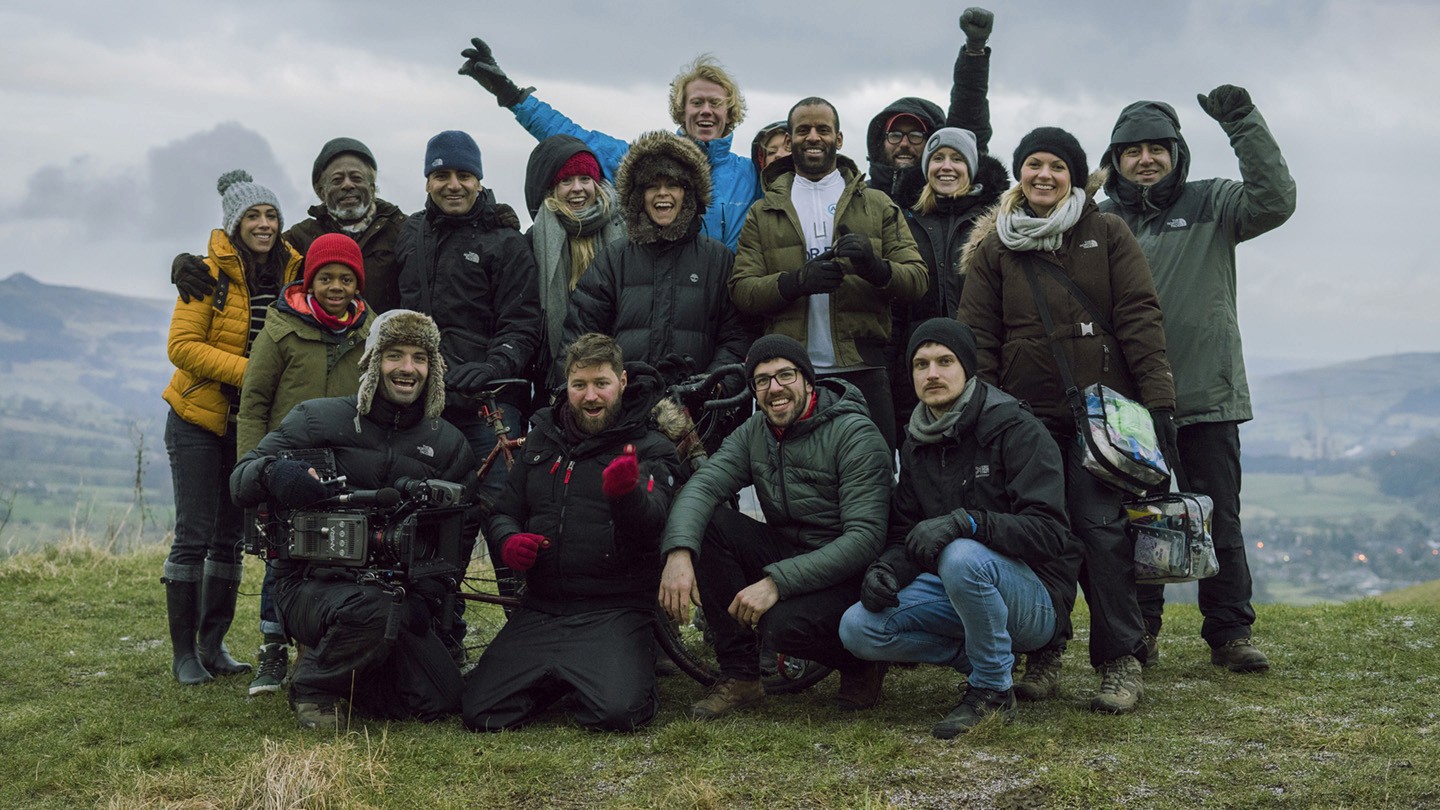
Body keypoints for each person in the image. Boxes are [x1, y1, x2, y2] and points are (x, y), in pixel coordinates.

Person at [957, 128, 1176, 714]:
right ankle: (1043, 651)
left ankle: (1121, 661)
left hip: (1101, 418)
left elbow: (1139, 317)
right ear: (1020, 173)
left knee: (1102, 531)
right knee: (1037, 536)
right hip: (1024, 419)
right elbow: (978, 339)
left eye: (1057, 165)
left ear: (1074, 175)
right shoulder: (997, 248)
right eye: (1034, 164)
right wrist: (983, 416)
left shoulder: (1108, 232)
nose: (1044, 175)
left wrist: (1159, 402)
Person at [1099, 85, 1296, 673]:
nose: (1146, 160)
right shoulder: (1101, 220)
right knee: (1139, 521)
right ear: (1115, 160)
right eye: (1131, 151)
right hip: (1131, 403)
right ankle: (1141, 634)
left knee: (1219, 517)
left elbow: (1275, 200)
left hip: (1207, 393)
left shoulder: (1213, 202)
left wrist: (1243, 122)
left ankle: (1230, 634)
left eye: (1157, 149)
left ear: (1176, 154)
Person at [230, 309, 476, 730]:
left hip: (402, 594)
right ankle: (314, 687)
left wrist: (431, 597)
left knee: (440, 698)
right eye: (394, 355)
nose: (407, 368)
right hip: (309, 584)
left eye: (420, 358)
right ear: (372, 361)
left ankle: (358, 664)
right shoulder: (316, 418)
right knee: (375, 612)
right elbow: (240, 481)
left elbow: (460, 536)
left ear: (432, 369)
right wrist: (274, 473)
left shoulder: (449, 444)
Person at [838, 319, 1081, 737]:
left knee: (960, 552)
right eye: (921, 364)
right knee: (858, 627)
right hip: (962, 590)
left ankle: (993, 691)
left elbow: (1050, 532)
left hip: (1035, 599)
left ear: (967, 367)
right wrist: (887, 570)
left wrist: (969, 522)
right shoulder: (916, 442)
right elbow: (905, 533)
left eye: (945, 361)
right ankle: (987, 659)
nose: (932, 373)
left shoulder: (1015, 427)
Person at [658, 334, 893, 720]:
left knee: (780, 626)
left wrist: (776, 583)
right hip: (789, 550)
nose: (775, 388)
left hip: (849, 572)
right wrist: (679, 551)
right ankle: (741, 677)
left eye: (785, 375)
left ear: (808, 381)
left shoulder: (855, 434)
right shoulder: (757, 431)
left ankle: (860, 661)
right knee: (710, 523)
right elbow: (704, 485)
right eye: (762, 380)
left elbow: (865, 539)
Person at [462, 334, 680, 732]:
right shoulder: (542, 439)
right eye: (579, 384)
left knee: (616, 714)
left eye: (601, 383)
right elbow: (504, 512)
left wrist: (627, 496)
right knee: (481, 712)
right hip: (542, 607)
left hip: (615, 609)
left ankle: (614, 665)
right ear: (567, 385)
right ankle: (566, 674)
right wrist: (508, 541)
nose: (590, 396)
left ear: (622, 382)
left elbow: (653, 524)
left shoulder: (651, 447)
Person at [161, 170, 301, 685]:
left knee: (229, 539)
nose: (264, 224)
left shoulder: (292, 272)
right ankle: (183, 654)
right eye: (253, 216)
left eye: (271, 215)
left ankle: (212, 645)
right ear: (235, 223)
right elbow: (181, 347)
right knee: (193, 536)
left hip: (249, 427)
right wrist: (252, 374)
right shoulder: (206, 274)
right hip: (197, 420)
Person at [729, 97, 928, 454]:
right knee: (796, 478)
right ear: (789, 140)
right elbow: (742, 290)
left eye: (823, 129)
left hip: (863, 366)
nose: (813, 137)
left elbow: (917, 279)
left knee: (874, 472)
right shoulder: (763, 211)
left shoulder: (878, 204)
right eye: (803, 130)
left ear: (838, 139)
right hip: (791, 373)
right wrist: (795, 283)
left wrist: (875, 268)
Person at [235, 232, 374, 695]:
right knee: (283, 555)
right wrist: (252, 472)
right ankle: (273, 647)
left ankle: (319, 649)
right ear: (310, 281)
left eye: (346, 279)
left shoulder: (371, 333)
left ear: (357, 284)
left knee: (339, 554)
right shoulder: (279, 329)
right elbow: (254, 404)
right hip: (286, 463)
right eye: (326, 277)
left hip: (347, 464)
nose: (336, 287)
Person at [459, 43, 759, 250]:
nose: (706, 110)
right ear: (682, 110)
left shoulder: (752, 174)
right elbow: (573, 138)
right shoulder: (643, 163)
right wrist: (512, 96)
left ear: (730, 112)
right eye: (696, 102)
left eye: (715, 103)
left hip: (731, 311)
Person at [395, 129, 542, 498]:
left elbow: (522, 325)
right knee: (424, 512)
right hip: (421, 402)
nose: (453, 185)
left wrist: (493, 367)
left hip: (489, 406)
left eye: (464, 175)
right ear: (427, 182)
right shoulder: (410, 234)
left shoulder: (506, 242)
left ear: (478, 180)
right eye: (441, 175)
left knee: (499, 508)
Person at [563, 130, 750, 386]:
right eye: (652, 186)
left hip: (698, 404)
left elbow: (737, 336)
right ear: (639, 196)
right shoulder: (614, 260)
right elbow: (581, 336)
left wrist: (710, 387)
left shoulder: (719, 260)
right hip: (625, 403)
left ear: (688, 193)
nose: (663, 193)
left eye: (673, 185)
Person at [170, 138, 409, 313]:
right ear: (321, 191)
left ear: (372, 186)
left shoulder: (404, 231)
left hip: (386, 359)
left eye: (356, 178)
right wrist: (186, 265)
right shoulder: (300, 237)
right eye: (337, 180)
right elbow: (245, 258)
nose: (347, 185)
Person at [889, 126, 1010, 438]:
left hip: (980, 358)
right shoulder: (904, 219)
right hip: (919, 363)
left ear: (971, 167)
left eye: (957, 159)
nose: (946, 166)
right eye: (937, 158)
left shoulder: (998, 221)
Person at [522, 135, 627, 406]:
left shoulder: (623, 230)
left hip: (617, 364)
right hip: (553, 371)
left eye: (585, 179)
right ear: (551, 188)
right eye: (566, 181)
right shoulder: (534, 240)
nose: (577, 188)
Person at [865, 8, 996, 211]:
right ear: (880, 142)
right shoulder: (860, 198)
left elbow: (968, 109)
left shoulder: (948, 198)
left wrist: (974, 50)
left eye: (916, 136)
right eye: (895, 135)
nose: (904, 144)